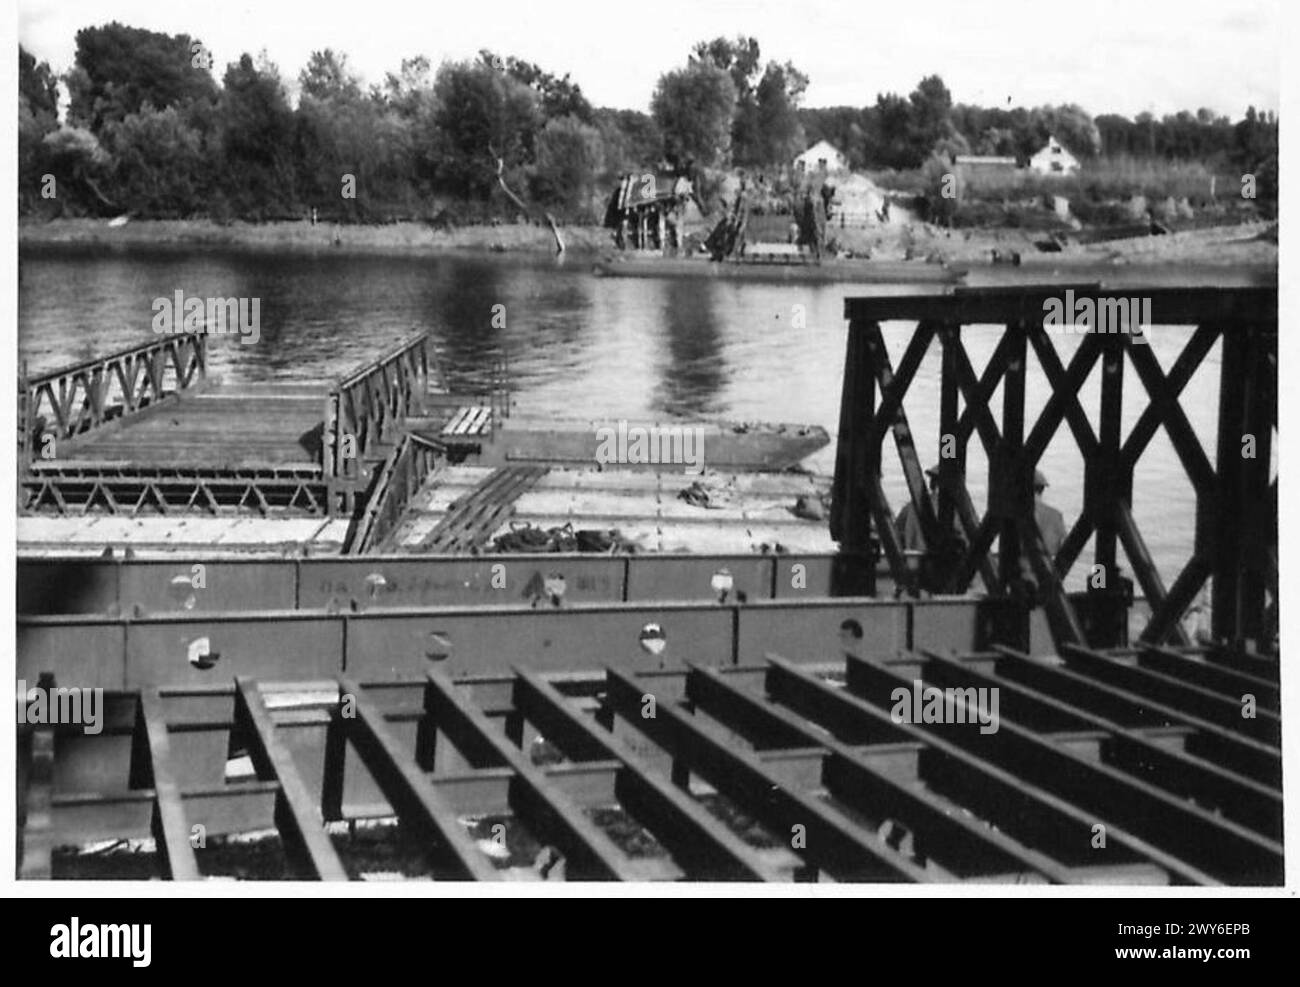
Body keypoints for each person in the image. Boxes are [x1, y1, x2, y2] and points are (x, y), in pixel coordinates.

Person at [1033, 469, 1066, 557]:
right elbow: (1058, 547)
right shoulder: (1056, 515)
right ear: (1043, 489)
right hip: (1047, 565)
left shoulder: (1015, 512)